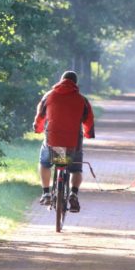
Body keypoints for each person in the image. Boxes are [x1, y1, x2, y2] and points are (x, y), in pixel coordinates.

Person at [33, 71, 95, 212]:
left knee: (45, 164)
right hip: (73, 143)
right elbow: (89, 120)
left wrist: (38, 129)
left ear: (61, 80)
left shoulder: (49, 96)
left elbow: (40, 116)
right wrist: (88, 134)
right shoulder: (82, 100)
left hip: (53, 141)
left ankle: (46, 193)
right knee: (76, 169)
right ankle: (73, 194)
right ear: (75, 83)